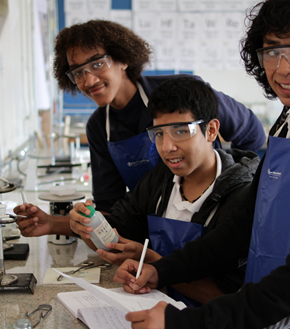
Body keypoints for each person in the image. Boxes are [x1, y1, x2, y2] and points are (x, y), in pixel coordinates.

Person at [114, 1, 290, 329]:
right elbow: (244, 226)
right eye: (272, 51)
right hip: (272, 310)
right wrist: (164, 271)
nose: (284, 67)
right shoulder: (289, 122)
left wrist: (185, 323)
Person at [15, 77, 260, 305]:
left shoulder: (242, 196)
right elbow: (119, 232)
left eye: (181, 131)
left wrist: (152, 263)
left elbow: (231, 298)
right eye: (159, 134)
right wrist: (84, 223)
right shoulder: (162, 180)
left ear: (211, 130)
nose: (167, 147)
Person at [53, 19, 266, 214]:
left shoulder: (183, 91)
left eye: (97, 64)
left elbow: (252, 134)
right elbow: (111, 203)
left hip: (213, 218)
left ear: (123, 59)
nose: (88, 81)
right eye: (78, 72)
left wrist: (234, 188)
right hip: (153, 233)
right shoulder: (99, 126)